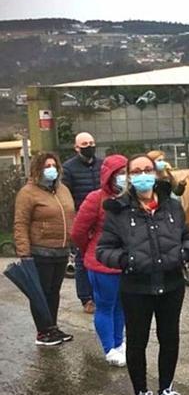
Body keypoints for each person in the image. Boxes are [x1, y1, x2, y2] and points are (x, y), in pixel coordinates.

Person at [97, 154, 189, 395]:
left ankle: (166, 390)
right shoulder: (118, 210)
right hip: (136, 288)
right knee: (137, 341)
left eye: (147, 169)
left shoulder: (172, 206)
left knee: (170, 338)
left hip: (171, 284)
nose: (143, 175)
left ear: (155, 173)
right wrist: (126, 260)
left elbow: (188, 236)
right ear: (129, 177)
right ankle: (140, 394)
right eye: (137, 171)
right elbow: (103, 250)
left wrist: (185, 253)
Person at [71, 154, 128, 367]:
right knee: (105, 305)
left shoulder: (130, 197)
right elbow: (78, 231)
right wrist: (90, 251)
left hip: (124, 263)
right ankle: (109, 348)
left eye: (126, 173)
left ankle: (119, 343)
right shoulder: (96, 198)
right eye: (119, 173)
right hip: (102, 265)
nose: (123, 177)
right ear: (109, 176)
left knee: (121, 306)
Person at [14, 152, 76, 346]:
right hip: (40, 251)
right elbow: (21, 223)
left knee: (54, 292)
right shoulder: (28, 193)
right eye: (47, 166)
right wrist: (24, 252)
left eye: (54, 166)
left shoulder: (62, 190)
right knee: (40, 292)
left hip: (61, 250)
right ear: (38, 169)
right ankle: (43, 332)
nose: (51, 170)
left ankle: (52, 327)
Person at [62, 132, 102, 315]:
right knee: (82, 260)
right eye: (85, 143)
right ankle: (86, 298)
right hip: (82, 218)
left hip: (103, 218)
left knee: (104, 256)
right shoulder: (68, 169)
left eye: (92, 143)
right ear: (77, 147)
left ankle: (103, 295)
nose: (89, 146)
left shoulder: (102, 165)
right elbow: (66, 197)